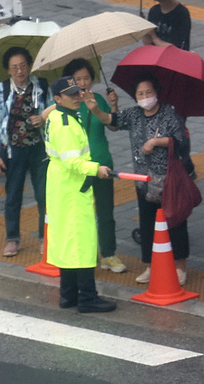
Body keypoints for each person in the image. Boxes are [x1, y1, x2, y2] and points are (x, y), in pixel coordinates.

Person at [99, 75, 191, 285]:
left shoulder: (169, 112)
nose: (145, 97)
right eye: (140, 93)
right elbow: (111, 122)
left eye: (149, 92)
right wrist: (104, 106)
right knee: (147, 224)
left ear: (157, 92)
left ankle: (180, 266)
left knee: (175, 221)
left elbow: (180, 142)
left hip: (168, 180)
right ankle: (150, 266)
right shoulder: (134, 114)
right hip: (143, 180)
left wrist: (156, 141)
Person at [43, 77, 115, 313]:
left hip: (63, 187)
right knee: (82, 243)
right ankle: (87, 297)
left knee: (67, 242)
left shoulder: (59, 116)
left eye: (77, 92)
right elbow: (72, 161)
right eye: (71, 94)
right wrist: (97, 169)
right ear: (57, 98)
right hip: (72, 188)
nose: (77, 97)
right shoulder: (64, 123)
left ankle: (69, 295)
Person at [0, 47, 49, 258]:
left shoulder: (41, 85)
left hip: (39, 147)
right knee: (13, 196)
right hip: (14, 149)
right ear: (8, 70)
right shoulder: (3, 89)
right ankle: (12, 239)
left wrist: (43, 118)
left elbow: (51, 110)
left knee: (43, 195)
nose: (19, 71)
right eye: (14, 67)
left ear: (29, 66)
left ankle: (45, 238)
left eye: (23, 66)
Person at [69, 58, 126, 275]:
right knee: (82, 212)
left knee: (105, 210)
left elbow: (111, 126)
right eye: (78, 79)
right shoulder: (69, 104)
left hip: (103, 163)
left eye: (86, 78)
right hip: (81, 166)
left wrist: (113, 106)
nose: (83, 82)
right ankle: (87, 253)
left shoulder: (99, 99)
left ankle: (108, 254)